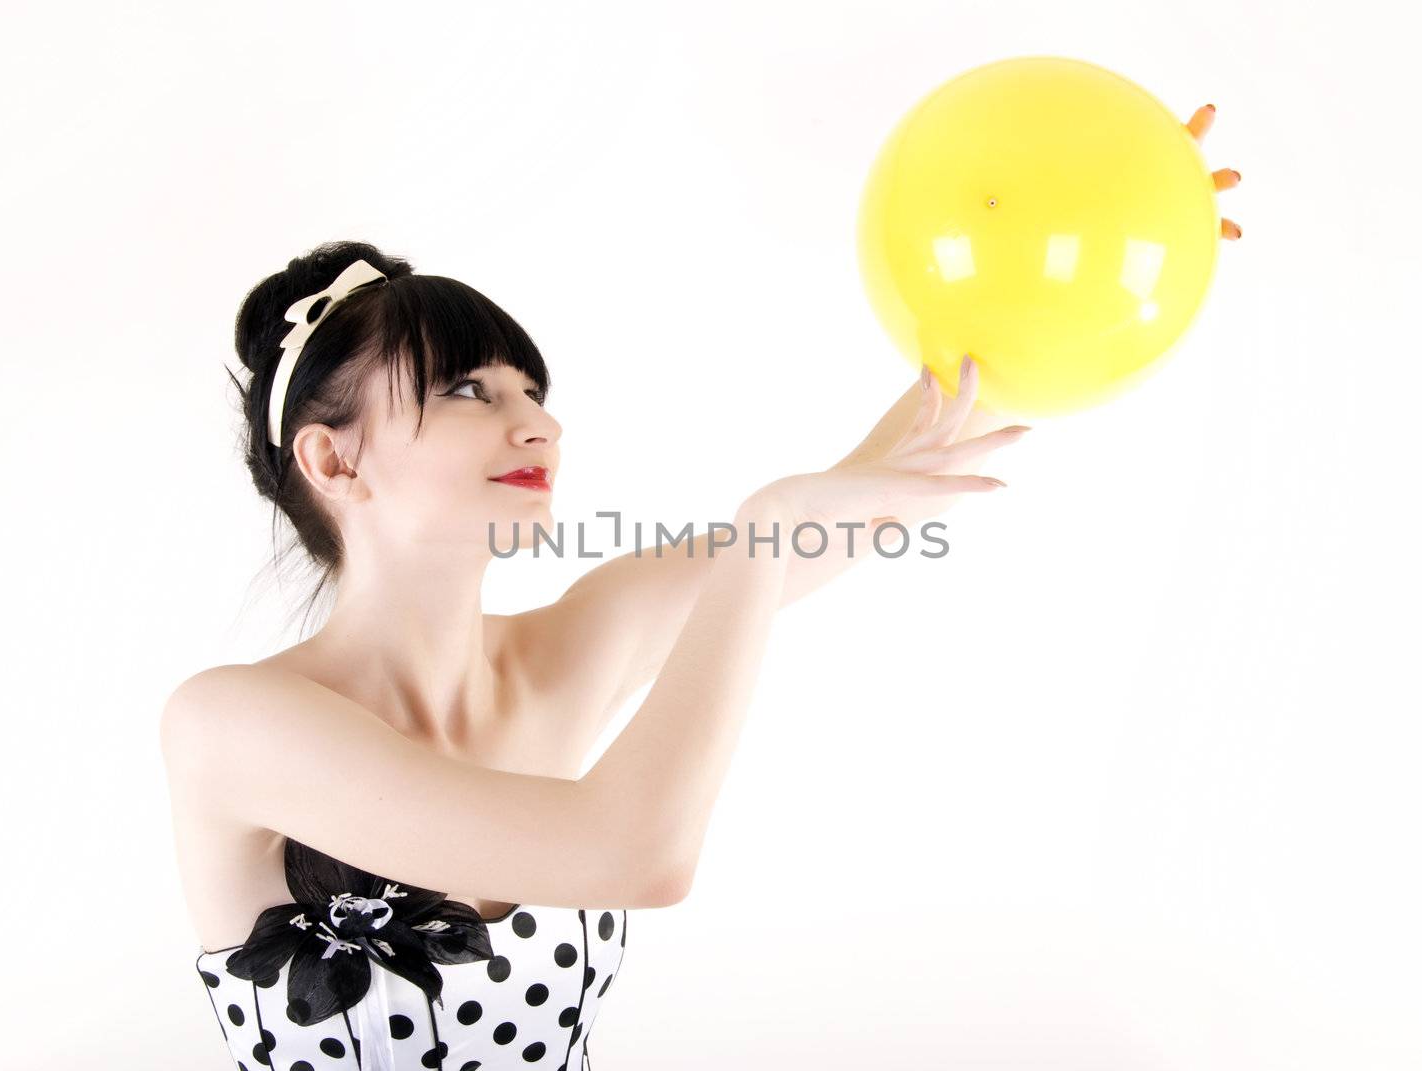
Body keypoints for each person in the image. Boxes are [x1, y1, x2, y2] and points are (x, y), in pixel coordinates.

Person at [160, 239, 1029, 1070]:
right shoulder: (229, 723)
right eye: (468, 389)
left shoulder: (569, 648)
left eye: (531, 390)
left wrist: (1078, 258)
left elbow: (873, 490)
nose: (541, 423)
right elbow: (637, 852)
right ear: (333, 458)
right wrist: (758, 538)